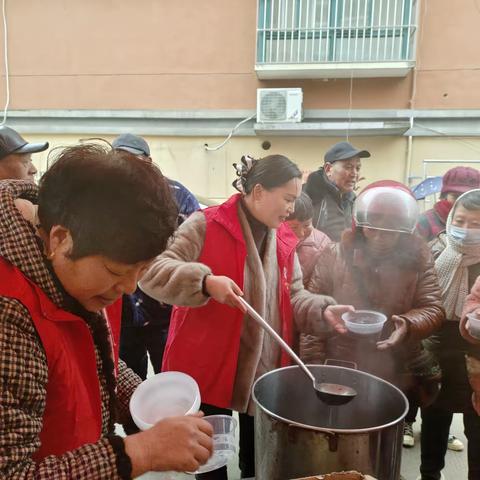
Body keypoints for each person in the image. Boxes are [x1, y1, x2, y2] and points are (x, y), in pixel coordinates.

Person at [0, 143, 213, 478]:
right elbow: (12, 472)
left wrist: (142, 400)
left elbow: (87, 349)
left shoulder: (80, 271)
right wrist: (141, 451)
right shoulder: (9, 313)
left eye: (141, 270)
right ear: (59, 240)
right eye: (117, 272)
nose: (129, 288)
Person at [140, 154, 353, 480]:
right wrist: (204, 282)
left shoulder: (282, 238)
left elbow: (294, 295)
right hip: (209, 364)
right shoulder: (206, 224)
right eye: (287, 199)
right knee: (211, 460)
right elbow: (152, 272)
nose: (291, 210)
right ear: (257, 191)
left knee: (261, 460)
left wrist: (322, 309)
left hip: (263, 369)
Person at [298, 181, 444, 412]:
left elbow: (432, 307)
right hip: (341, 361)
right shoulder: (335, 254)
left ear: (405, 226)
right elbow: (314, 314)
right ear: (360, 222)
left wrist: (407, 324)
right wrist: (314, 367)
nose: (381, 234)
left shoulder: (419, 258)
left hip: (394, 365)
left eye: (392, 225)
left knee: (384, 433)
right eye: (374, 224)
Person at [112, 133, 201, 380]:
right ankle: (134, 420)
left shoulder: (176, 195)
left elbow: (195, 249)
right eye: (117, 160)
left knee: (171, 379)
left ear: (148, 161)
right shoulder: (105, 197)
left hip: (164, 309)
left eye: (131, 160)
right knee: (130, 383)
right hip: (122, 308)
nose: (124, 168)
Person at [419, 189, 480, 480]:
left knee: (477, 424)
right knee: (434, 417)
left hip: (476, 356)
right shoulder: (435, 251)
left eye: (476, 224)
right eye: (460, 220)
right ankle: (429, 474)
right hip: (436, 347)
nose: (465, 229)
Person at [303, 141, 370, 241]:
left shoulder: (354, 202)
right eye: (348, 167)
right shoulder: (307, 197)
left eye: (358, 168)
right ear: (328, 169)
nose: (354, 173)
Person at [417, 166, 480, 241]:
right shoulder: (424, 222)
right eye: (456, 196)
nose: (462, 201)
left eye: (468, 196)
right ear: (445, 196)